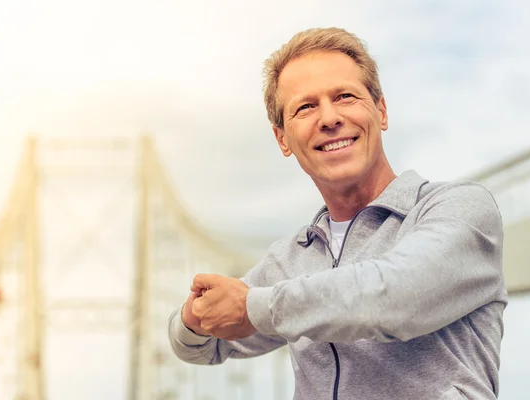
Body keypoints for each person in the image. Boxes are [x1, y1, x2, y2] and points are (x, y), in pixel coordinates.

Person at [168, 27, 507, 400]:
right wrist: (195, 314)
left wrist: (253, 305)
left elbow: (395, 297)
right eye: (306, 107)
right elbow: (202, 346)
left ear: (381, 111)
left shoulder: (461, 208)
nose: (329, 118)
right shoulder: (290, 258)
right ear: (283, 139)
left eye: (344, 96)